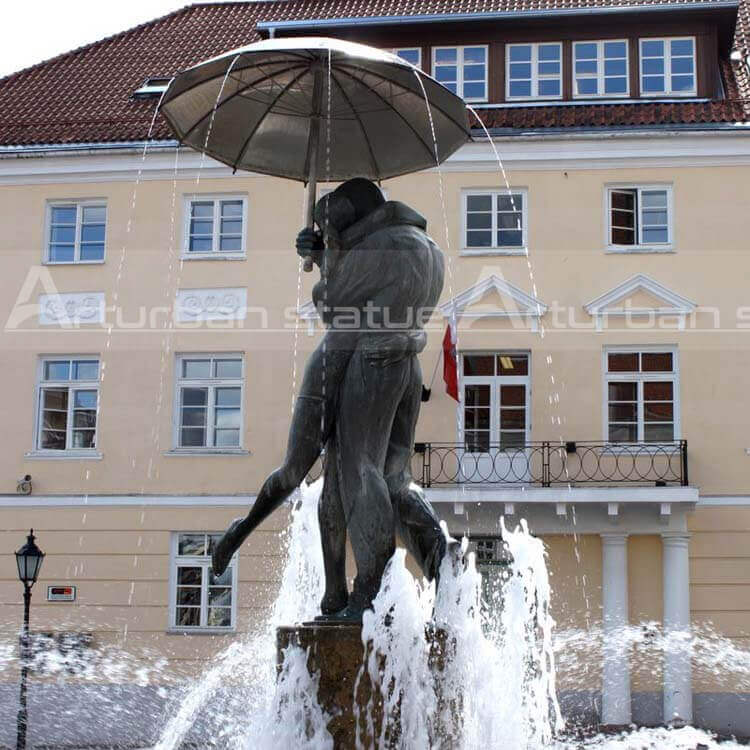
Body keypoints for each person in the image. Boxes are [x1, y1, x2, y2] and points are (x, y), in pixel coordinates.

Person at [212, 178, 452, 621]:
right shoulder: (427, 246)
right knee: (389, 478)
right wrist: (328, 254)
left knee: (348, 471)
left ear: (346, 216)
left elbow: (332, 303)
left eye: (329, 222)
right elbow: (375, 299)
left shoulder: (379, 247)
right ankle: (442, 569)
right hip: (403, 360)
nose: (325, 230)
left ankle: (366, 596)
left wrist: (326, 261)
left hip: (358, 359)